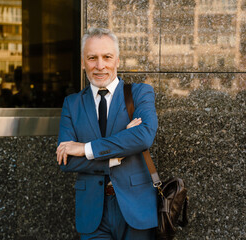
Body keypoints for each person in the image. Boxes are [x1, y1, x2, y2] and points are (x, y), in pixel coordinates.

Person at [56, 27, 158, 239]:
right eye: (92, 58)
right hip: (93, 214)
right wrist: (119, 153)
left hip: (136, 208)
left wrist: (85, 149)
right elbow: (66, 161)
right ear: (83, 62)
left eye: (107, 57)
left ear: (118, 60)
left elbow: (143, 136)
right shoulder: (72, 103)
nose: (99, 66)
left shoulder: (140, 93)